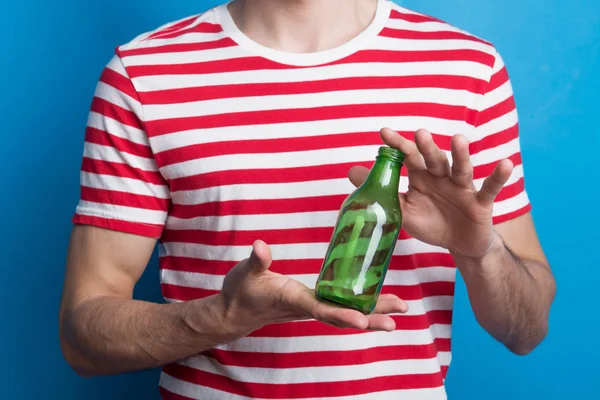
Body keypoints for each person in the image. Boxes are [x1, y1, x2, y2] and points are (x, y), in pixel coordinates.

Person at [58, 0, 556, 399]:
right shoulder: (144, 74)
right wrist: (221, 318)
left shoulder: (468, 69)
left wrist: (480, 252)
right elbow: (82, 339)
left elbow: (526, 330)